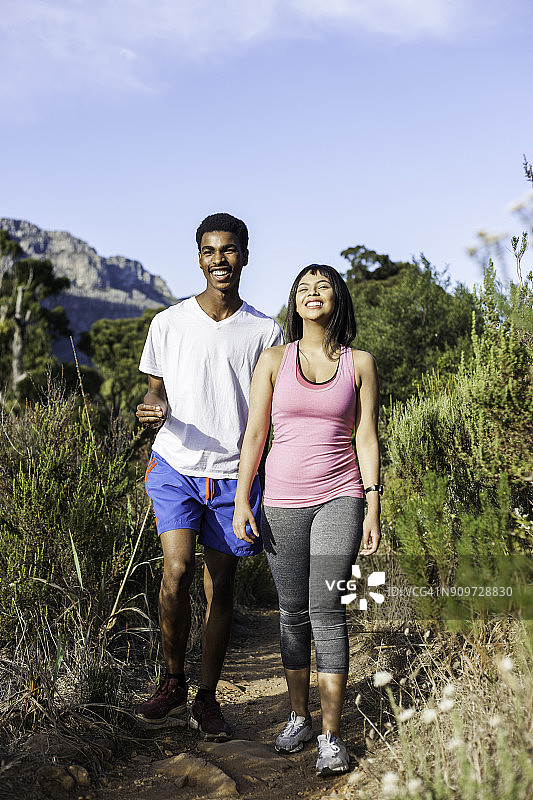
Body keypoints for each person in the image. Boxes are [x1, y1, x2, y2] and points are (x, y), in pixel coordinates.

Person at [134, 212, 283, 739]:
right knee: (176, 571)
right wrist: (151, 406)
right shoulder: (168, 323)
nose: (220, 260)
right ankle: (173, 680)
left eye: (229, 250)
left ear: (245, 255)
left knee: (220, 584)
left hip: (233, 476)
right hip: (176, 464)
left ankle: (206, 697)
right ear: (199, 258)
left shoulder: (266, 330)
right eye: (209, 251)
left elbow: (269, 409)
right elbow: (155, 389)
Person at [233, 264, 380, 775]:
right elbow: (255, 435)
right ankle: (299, 716)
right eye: (303, 288)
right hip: (282, 501)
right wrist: (242, 499)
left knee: (327, 609)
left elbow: (366, 436)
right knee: (292, 612)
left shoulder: (360, 363)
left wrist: (373, 503)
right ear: (294, 302)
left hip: (341, 496)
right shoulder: (274, 360)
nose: (312, 293)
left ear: (338, 298)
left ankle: (331, 737)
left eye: (322, 287)